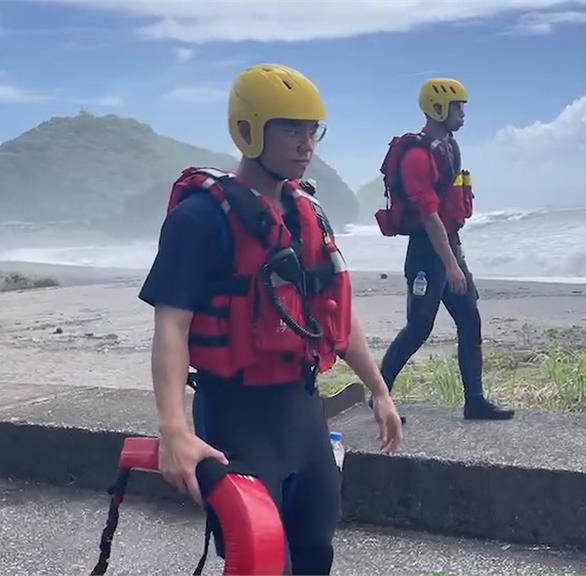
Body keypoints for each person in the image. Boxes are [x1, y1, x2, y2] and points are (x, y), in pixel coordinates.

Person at [138, 63, 403, 575]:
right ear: (247, 130)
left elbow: (335, 316)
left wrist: (379, 391)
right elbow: (171, 326)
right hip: (234, 419)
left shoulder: (309, 215)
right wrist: (173, 429)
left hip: (302, 415)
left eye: (312, 131)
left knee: (315, 555)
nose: (306, 145)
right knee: (259, 563)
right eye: (291, 130)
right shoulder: (199, 219)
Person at [374, 78, 514, 420]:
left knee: (470, 320)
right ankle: (379, 398)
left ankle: (475, 401)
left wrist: (454, 258)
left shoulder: (449, 146)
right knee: (419, 327)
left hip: (449, 246)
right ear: (438, 109)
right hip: (427, 251)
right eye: (457, 107)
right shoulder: (417, 157)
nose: (463, 114)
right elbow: (430, 217)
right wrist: (451, 266)